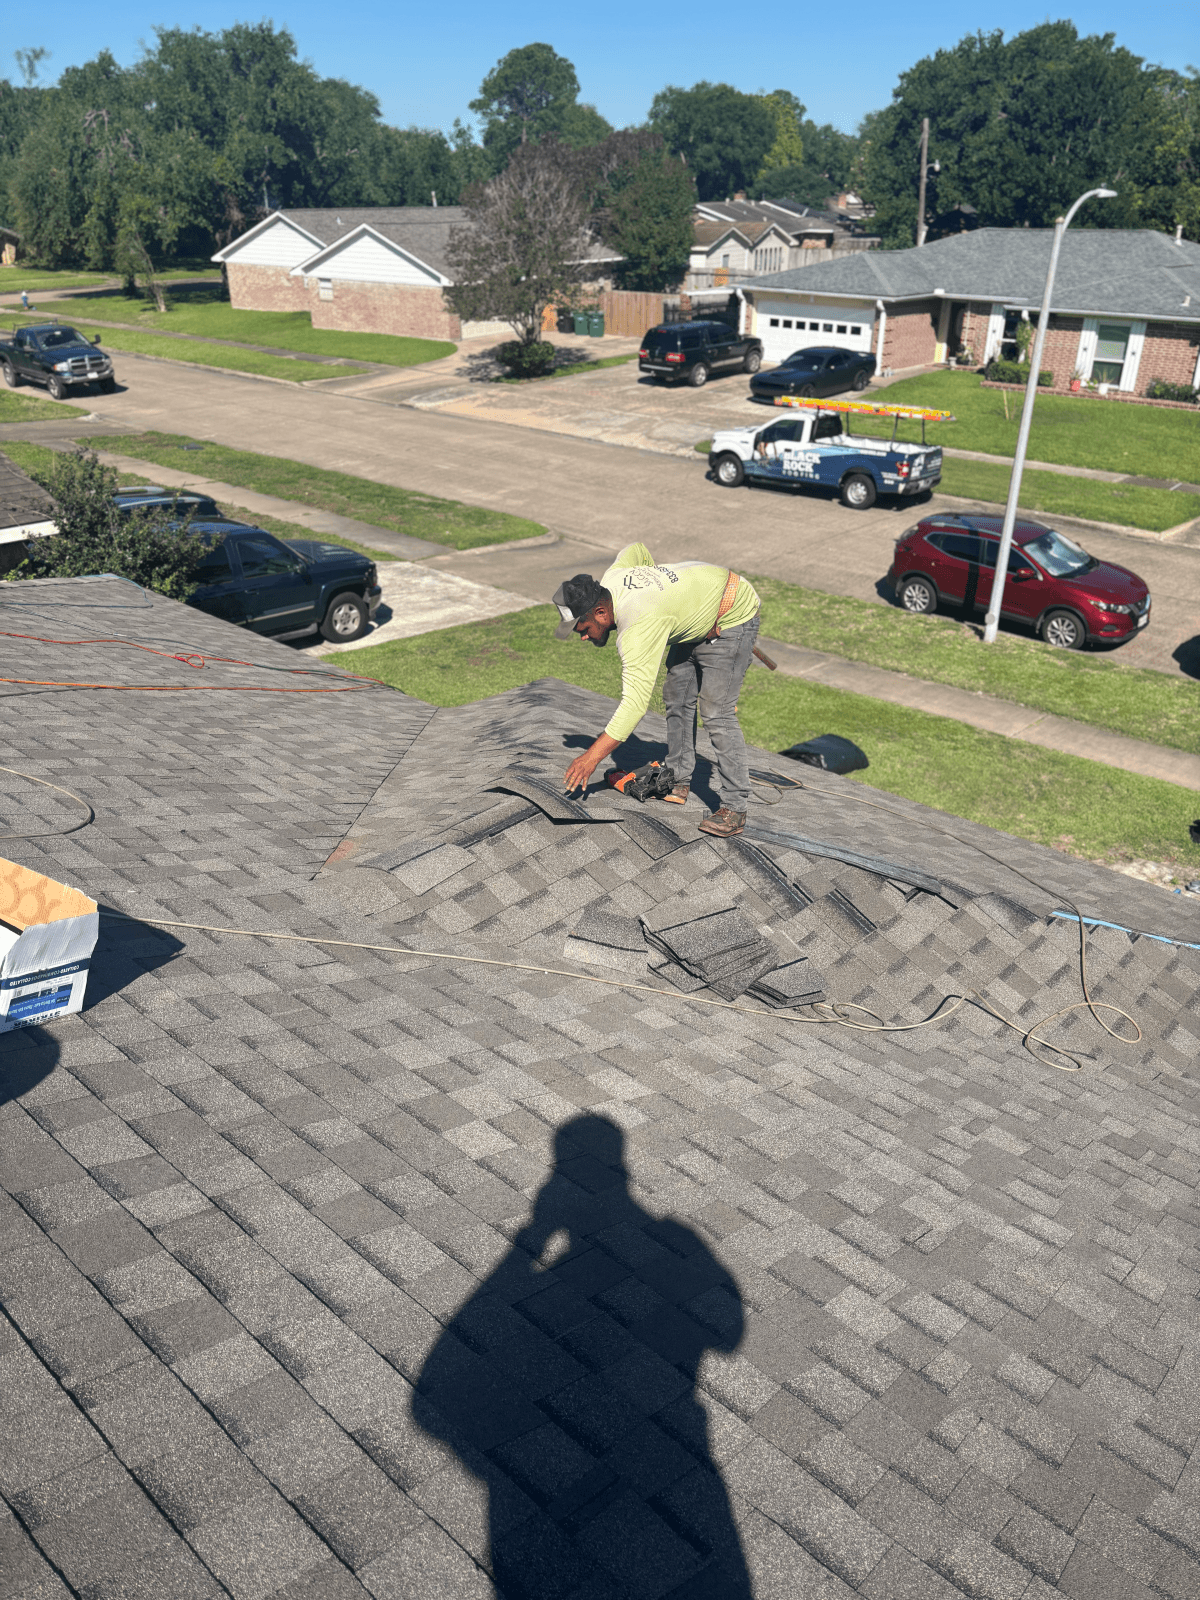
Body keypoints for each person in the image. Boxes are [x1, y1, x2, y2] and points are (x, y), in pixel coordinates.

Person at [413, 1115, 753, 1597]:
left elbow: (432, 1404)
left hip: (532, 1488)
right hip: (681, 1435)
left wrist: (530, 1240)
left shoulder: (656, 1238)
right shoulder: (678, 1239)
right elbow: (729, 1334)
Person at [555, 543, 761, 837]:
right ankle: (678, 778)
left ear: (601, 612)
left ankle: (735, 807)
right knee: (677, 696)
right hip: (696, 617)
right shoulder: (614, 576)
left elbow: (634, 704)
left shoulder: (637, 629)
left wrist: (590, 759)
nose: (583, 637)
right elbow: (636, 549)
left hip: (731, 613)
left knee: (717, 712)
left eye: (583, 629)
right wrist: (666, 597)